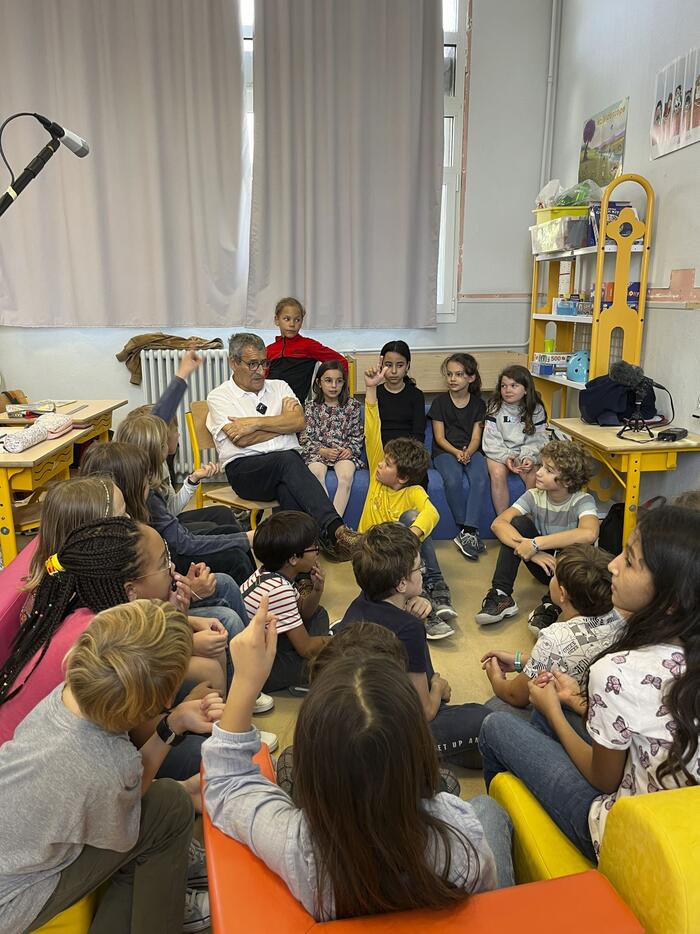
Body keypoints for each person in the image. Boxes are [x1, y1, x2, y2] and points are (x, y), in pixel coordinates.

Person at [202, 597, 514, 922]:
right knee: (487, 808)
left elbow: (226, 784)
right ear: (419, 747)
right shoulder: (460, 835)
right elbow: (479, 913)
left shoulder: (297, 848)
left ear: (312, 762)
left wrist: (246, 681)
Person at [479, 505, 700, 863]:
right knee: (540, 718)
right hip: (681, 823)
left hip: (623, 838)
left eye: (629, 561)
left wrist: (552, 710)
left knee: (495, 723)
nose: (613, 565)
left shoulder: (616, 669)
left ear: (671, 599)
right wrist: (579, 701)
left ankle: (502, 842)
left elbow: (604, 780)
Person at [0, 600, 218, 933]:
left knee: (167, 798)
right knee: (170, 808)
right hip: (12, 902)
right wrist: (177, 775)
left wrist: (173, 723)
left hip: (16, 854)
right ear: (167, 696)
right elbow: (121, 833)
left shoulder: (65, 694)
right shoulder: (108, 765)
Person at [0, 517, 275, 768]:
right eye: (162, 563)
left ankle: (226, 729)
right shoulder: (107, 642)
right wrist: (178, 714)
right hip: (56, 769)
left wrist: (180, 618)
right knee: (231, 759)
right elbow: (140, 733)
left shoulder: (103, 612)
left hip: (83, 746)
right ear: (130, 590)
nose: (172, 568)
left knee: (207, 682)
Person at [80, 441, 257, 655]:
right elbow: (135, 616)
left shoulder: (127, 523)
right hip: (149, 629)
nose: (152, 485)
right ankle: (249, 673)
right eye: (145, 480)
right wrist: (190, 593)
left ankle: (254, 646)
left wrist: (182, 585)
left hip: (158, 607)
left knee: (226, 583)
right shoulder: (115, 548)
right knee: (226, 619)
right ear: (129, 488)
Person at [339, 522, 489, 768]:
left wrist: (412, 605)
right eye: (419, 568)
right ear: (400, 584)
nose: (424, 570)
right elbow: (424, 712)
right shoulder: (408, 628)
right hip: (391, 733)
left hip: (359, 723)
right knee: (488, 720)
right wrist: (438, 688)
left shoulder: (360, 602)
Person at [206, 333, 360, 559]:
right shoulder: (219, 396)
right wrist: (282, 425)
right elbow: (241, 440)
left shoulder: (279, 387)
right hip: (246, 472)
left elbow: (299, 422)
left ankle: (298, 568)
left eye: (264, 363)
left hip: (284, 471)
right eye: (252, 364)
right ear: (233, 362)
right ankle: (336, 530)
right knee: (288, 459)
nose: (261, 370)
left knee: (288, 490)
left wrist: (255, 423)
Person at [276, 622, 462, 798]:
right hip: (405, 806)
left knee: (289, 757)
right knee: (448, 780)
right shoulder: (404, 735)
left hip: (322, 803)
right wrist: (436, 688)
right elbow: (426, 715)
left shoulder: (315, 749)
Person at [362, 363, 454, 639]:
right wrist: (370, 388)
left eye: (388, 464)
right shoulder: (376, 478)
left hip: (404, 556)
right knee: (397, 581)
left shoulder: (412, 491)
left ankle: (432, 589)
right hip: (374, 549)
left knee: (414, 519)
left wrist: (410, 537)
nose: (380, 466)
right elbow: (372, 425)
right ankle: (424, 600)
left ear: (402, 478)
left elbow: (432, 513)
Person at [481, 545, 623, 716]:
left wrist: (495, 678)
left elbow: (515, 695)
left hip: (577, 718)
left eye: (555, 575)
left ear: (562, 594)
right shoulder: (620, 617)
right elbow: (565, 660)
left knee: (493, 709)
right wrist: (519, 661)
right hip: (604, 708)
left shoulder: (555, 638)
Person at [115, 415, 255, 584]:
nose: (175, 436)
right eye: (165, 440)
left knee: (230, 531)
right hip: (165, 556)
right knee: (236, 557)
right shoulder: (149, 493)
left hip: (167, 545)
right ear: (156, 450)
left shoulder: (145, 478)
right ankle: (254, 598)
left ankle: (261, 586)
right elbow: (184, 543)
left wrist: (192, 480)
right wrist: (246, 538)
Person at [475, 440, 599, 626]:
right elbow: (498, 524)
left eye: (548, 470)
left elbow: (589, 533)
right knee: (517, 523)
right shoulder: (533, 495)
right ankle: (501, 595)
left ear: (568, 480)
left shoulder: (582, 500)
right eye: (541, 466)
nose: (538, 472)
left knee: (579, 547)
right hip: (544, 565)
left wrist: (535, 544)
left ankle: (551, 605)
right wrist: (533, 552)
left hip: (571, 572)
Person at [127, 347, 229, 530]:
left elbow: (170, 510)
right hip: (162, 539)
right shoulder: (146, 475)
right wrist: (182, 374)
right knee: (223, 532)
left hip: (168, 524)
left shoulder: (161, 462)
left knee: (223, 514)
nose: (178, 434)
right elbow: (160, 414)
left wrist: (192, 480)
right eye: (175, 430)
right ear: (160, 441)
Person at [240, 511, 330, 695]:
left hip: (267, 643)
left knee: (319, 613)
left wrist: (317, 589)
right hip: (258, 668)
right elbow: (305, 649)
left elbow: (304, 612)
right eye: (313, 547)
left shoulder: (270, 573)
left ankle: (321, 649)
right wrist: (339, 640)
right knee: (311, 658)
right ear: (293, 558)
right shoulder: (278, 590)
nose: (317, 551)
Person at [429, 353, 489, 561]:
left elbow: (476, 436)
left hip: (471, 450)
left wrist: (469, 452)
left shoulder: (479, 405)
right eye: (449, 374)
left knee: (480, 478)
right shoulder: (440, 403)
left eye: (459, 374)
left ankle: (469, 531)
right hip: (445, 451)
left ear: (471, 378)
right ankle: (466, 529)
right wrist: (456, 453)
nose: (453, 379)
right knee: (453, 479)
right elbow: (439, 437)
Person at [300, 360, 364, 517]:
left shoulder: (352, 406)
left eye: (339, 381)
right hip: (319, 453)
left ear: (344, 383)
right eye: (328, 380)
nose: (334, 386)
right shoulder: (310, 407)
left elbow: (357, 435)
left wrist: (349, 450)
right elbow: (305, 438)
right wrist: (323, 450)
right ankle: (323, 520)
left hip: (343, 453)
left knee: (346, 477)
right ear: (319, 382)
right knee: (316, 475)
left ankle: (335, 526)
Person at [482, 365, 548, 516]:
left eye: (514, 385)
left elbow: (538, 439)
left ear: (526, 389)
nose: (507, 390)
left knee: (533, 472)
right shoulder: (494, 406)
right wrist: (506, 457)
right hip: (499, 452)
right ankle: (503, 520)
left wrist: (528, 457)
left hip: (525, 451)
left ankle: (526, 519)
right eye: (504, 386)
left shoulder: (536, 409)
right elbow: (491, 440)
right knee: (498, 473)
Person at [266, 296, 349, 403]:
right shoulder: (268, 350)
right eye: (287, 319)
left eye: (297, 320)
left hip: (294, 403)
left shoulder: (308, 345)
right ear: (277, 320)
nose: (292, 324)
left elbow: (341, 361)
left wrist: (341, 394)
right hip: (269, 401)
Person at [376, 339, 426, 445]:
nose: (394, 371)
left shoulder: (416, 395)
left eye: (399, 365)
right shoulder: (375, 393)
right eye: (388, 365)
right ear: (381, 365)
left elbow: (418, 434)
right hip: (380, 451)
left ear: (407, 366)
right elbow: (371, 432)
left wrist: (403, 457)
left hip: (408, 453)